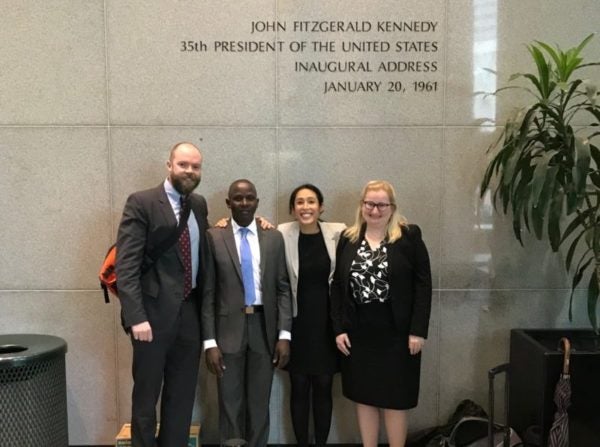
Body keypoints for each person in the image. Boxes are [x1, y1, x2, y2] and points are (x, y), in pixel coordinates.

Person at [115, 142, 209, 447]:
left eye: (195, 166)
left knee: (181, 398)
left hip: (189, 315)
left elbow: (202, 248)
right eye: (183, 164)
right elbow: (125, 266)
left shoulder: (199, 204)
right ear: (169, 165)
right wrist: (136, 317)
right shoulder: (141, 202)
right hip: (151, 318)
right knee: (146, 398)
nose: (189, 171)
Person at [331, 180, 432, 447]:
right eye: (369, 204)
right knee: (364, 397)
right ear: (362, 205)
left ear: (392, 207)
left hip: (398, 333)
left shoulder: (408, 236)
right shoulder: (348, 238)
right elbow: (338, 286)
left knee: (395, 399)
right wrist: (339, 328)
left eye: (381, 205)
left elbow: (423, 284)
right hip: (359, 332)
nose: (375, 210)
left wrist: (418, 330)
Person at [202, 179, 292, 447]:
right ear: (228, 203)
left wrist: (284, 335)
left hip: (264, 331)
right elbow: (207, 293)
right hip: (226, 333)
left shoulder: (274, 238)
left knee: (259, 403)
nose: (244, 203)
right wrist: (209, 342)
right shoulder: (213, 237)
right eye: (238, 199)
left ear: (257, 202)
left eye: (249, 198)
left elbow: (283, 288)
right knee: (229, 404)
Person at [277, 184, 346, 447]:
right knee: (298, 386)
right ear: (293, 209)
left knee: (324, 387)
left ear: (321, 206)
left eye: (311, 201)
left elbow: (370, 227)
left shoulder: (337, 232)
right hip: (296, 323)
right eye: (300, 202)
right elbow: (253, 229)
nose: (306, 207)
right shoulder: (282, 232)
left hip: (327, 324)